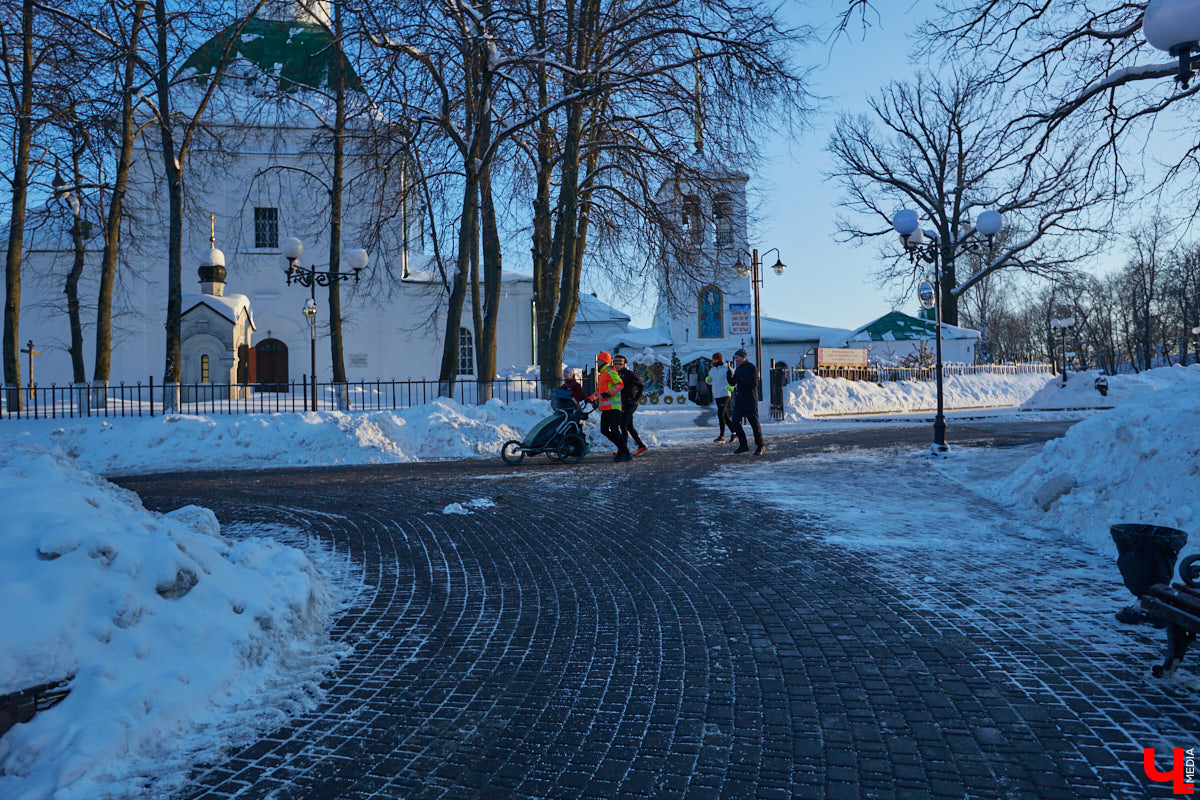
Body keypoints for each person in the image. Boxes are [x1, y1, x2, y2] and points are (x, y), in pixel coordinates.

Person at [590, 352, 630, 462]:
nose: (597, 363)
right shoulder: (602, 375)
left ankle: (625, 452)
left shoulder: (610, 372)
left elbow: (620, 384)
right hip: (606, 408)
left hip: (613, 407)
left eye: (598, 361)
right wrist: (591, 398)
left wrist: (610, 393)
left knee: (614, 430)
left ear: (604, 361)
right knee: (604, 430)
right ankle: (622, 450)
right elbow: (599, 391)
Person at [727, 348, 765, 456]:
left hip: (750, 399)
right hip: (740, 400)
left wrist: (739, 380)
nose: (736, 360)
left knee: (754, 423)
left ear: (743, 357)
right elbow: (733, 383)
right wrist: (729, 376)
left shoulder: (751, 368)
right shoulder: (738, 369)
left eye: (737, 358)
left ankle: (760, 445)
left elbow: (752, 383)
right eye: (735, 358)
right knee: (735, 422)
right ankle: (743, 445)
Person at [611, 354, 647, 455]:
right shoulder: (617, 374)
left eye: (619, 364)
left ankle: (623, 449)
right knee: (629, 426)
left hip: (631, 404)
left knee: (623, 425)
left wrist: (635, 398)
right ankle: (641, 446)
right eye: (615, 363)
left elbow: (641, 386)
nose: (616, 365)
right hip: (624, 404)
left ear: (623, 364)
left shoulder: (629, 374)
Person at [704, 352, 734, 443]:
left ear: (719, 359)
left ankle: (722, 436)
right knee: (725, 416)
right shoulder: (712, 370)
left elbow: (733, 380)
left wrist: (732, 387)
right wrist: (708, 381)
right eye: (712, 359)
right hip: (717, 395)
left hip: (725, 393)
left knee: (720, 414)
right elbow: (711, 382)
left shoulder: (726, 369)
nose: (713, 361)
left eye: (715, 359)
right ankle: (734, 432)